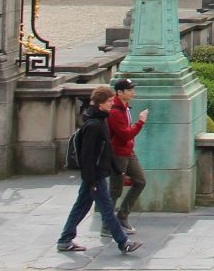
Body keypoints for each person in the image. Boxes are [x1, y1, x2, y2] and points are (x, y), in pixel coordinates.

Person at [57, 87, 142, 254]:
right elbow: (87, 156)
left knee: (81, 207)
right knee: (107, 209)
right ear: (100, 104)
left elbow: (107, 148)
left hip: (96, 175)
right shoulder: (94, 125)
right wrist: (91, 180)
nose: (112, 103)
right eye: (109, 101)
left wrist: (117, 169)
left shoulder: (101, 120)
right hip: (95, 176)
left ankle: (65, 240)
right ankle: (123, 242)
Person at [108, 77, 149, 230]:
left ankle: (122, 215)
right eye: (130, 90)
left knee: (140, 181)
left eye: (133, 90)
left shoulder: (124, 107)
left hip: (128, 152)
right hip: (118, 154)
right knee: (115, 191)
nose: (133, 93)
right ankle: (107, 226)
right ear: (120, 92)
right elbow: (125, 135)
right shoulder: (115, 112)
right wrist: (141, 122)